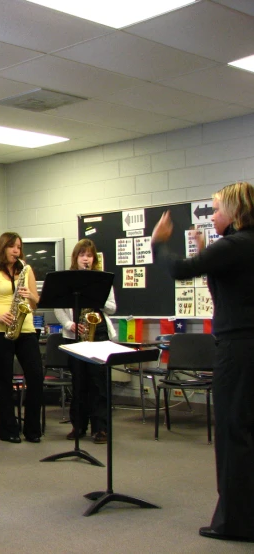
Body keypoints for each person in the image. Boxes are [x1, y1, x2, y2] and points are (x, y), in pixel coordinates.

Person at [152, 181, 254, 543]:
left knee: (234, 432)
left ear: (235, 211)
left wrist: (159, 242)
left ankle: (235, 523)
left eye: (217, 209)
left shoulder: (236, 244)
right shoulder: (240, 247)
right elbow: (231, 286)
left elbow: (179, 270)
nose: (213, 216)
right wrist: (206, 251)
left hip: (238, 349)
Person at [0, 231, 43, 443]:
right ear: (2, 248)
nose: (16, 251)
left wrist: (30, 295)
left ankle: (32, 428)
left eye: (19, 247)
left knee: (36, 377)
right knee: (4, 380)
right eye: (12, 246)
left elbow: (35, 302)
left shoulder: (27, 270)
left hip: (26, 328)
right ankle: (8, 428)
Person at [54, 239, 116, 444]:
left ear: (94, 258)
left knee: (99, 383)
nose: (86, 259)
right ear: (76, 258)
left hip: (98, 335)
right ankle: (78, 426)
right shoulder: (68, 280)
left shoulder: (102, 279)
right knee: (78, 383)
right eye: (82, 255)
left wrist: (96, 297)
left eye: (89, 255)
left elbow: (112, 308)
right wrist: (70, 325)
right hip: (75, 335)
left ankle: (101, 429)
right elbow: (58, 308)